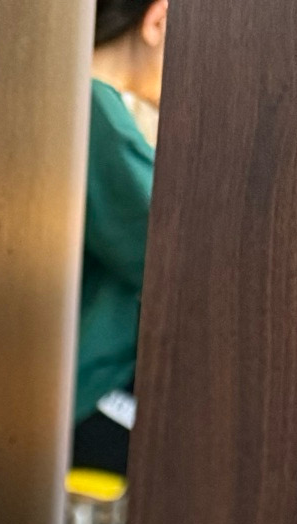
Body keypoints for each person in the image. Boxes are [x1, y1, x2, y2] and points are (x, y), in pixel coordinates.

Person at [73, 0, 169, 476]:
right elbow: (171, 251)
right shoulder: (94, 112)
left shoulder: (84, 105)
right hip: (88, 392)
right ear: (157, 21)